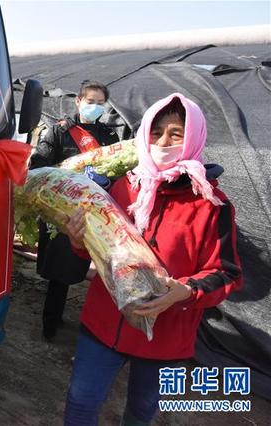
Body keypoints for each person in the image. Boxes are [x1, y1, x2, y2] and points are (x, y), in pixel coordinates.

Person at [63, 93, 243, 425]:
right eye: (156, 132)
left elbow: (227, 273)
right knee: (80, 403)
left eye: (175, 134)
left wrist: (184, 291)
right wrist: (78, 241)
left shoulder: (211, 205)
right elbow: (101, 249)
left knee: (140, 411)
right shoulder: (124, 187)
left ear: (193, 138)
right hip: (104, 322)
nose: (162, 142)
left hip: (165, 336)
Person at [29, 80, 119, 339]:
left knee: (84, 267)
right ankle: (50, 324)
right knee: (59, 271)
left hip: (94, 211)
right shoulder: (59, 131)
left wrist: (107, 181)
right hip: (63, 210)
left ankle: (91, 325)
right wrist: (68, 177)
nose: (95, 107)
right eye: (90, 101)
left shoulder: (109, 136)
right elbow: (38, 166)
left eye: (100, 103)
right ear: (78, 101)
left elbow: (118, 170)